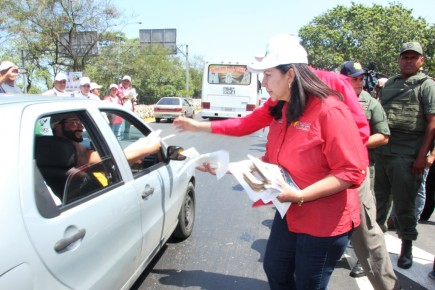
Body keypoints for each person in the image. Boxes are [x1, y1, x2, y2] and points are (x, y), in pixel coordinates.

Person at [174, 34, 367, 290]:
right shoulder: (282, 107)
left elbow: (352, 172)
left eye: (268, 75)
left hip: (324, 220)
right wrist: (226, 167)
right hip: (290, 210)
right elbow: (270, 162)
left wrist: (300, 195)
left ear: (290, 75)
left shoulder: (330, 111)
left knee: (309, 283)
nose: (263, 83)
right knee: (275, 268)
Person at [375, 41, 435, 269]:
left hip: (407, 154)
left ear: (421, 61)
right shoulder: (390, 83)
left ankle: (406, 248)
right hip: (382, 152)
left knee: (405, 206)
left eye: (413, 57)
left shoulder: (427, 85)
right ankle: (375, 250)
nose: (408, 61)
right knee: (378, 204)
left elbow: (432, 123)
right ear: (399, 59)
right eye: (405, 57)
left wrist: (423, 156)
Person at [340, 61, 394, 282]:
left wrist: (355, 143)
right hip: (330, 173)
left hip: (360, 172)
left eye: (361, 78)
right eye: (354, 78)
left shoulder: (370, 103)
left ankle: (367, 265)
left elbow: (383, 135)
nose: (360, 83)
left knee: (366, 225)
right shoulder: (328, 101)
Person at [50, 113, 161, 167]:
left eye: (80, 123)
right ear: (57, 126)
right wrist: (151, 148)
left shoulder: (51, 147)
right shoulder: (67, 151)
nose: (80, 127)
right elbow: (111, 160)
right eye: (74, 122)